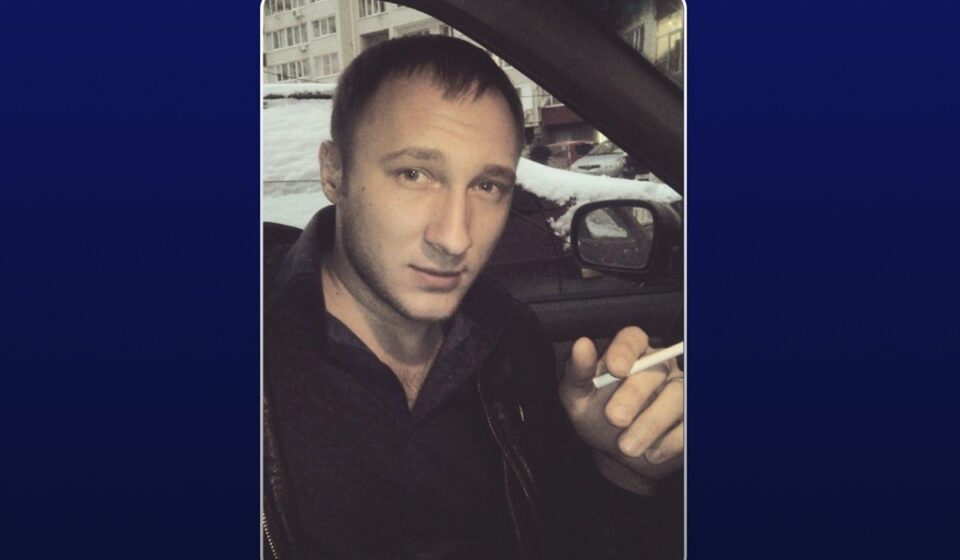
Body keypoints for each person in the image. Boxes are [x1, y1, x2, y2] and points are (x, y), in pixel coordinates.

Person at [263, 35, 684, 559]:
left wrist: (622, 470)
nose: (455, 238)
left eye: (487, 186)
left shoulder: (512, 343)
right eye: (414, 174)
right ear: (334, 171)